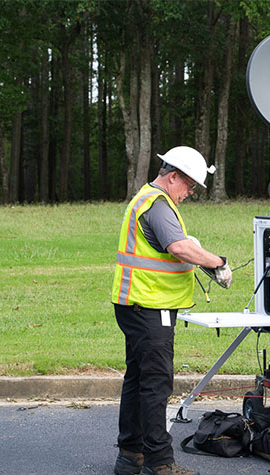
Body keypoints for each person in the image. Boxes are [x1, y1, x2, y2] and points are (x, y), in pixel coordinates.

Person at [111, 146, 232, 475]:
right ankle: (160, 462)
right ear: (173, 176)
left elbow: (176, 244)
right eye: (190, 185)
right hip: (152, 306)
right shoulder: (159, 205)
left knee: (137, 380)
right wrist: (218, 262)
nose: (191, 192)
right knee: (156, 384)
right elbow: (177, 247)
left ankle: (130, 455)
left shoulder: (145, 198)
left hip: (134, 303)